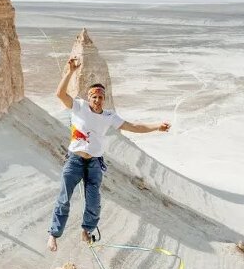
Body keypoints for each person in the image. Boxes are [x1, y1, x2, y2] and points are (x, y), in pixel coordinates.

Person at [47, 57, 170, 252]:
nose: (97, 100)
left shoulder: (108, 116)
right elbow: (59, 93)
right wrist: (70, 71)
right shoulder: (79, 106)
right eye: (94, 97)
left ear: (104, 98)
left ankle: (86, 231)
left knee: (94, 202)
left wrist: (156, 126)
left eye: (100, 97)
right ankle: (54, 235)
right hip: (75, 161)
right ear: (89, 97)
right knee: (64, 198)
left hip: (94, 163)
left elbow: (134, 126)